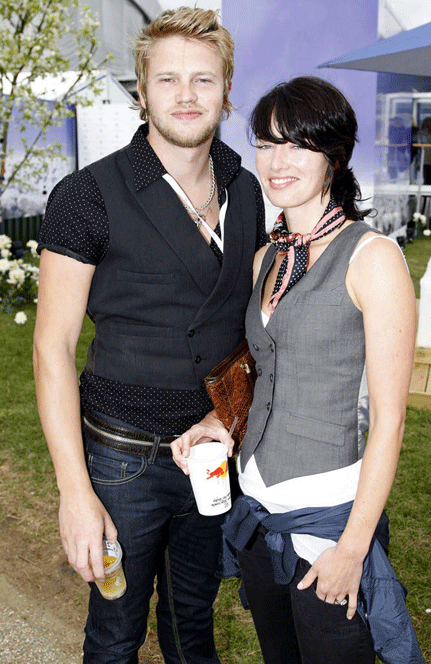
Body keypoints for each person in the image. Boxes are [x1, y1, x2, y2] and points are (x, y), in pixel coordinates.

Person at [33, 7, 265, 664]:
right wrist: (75, 493)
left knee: (193, 624)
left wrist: (234, 414)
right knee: (114, 635)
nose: (186, 95)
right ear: (141, 89)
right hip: (121, 461)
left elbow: (254, 326)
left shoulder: (246, 190)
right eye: (168, 79)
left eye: (203, 79)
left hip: (212, 456)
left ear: (226, 90)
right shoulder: (86, 195)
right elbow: (52, 349)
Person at [173, 76, 422, 663]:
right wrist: (217, 421)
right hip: (258, 514)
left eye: (296, 145)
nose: (276, 162)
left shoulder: (373, 259)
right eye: (265, 144)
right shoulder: (267, 256)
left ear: (333, 155)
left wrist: (353, 548)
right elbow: (265, 369)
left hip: (329, 524)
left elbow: (390, 421)